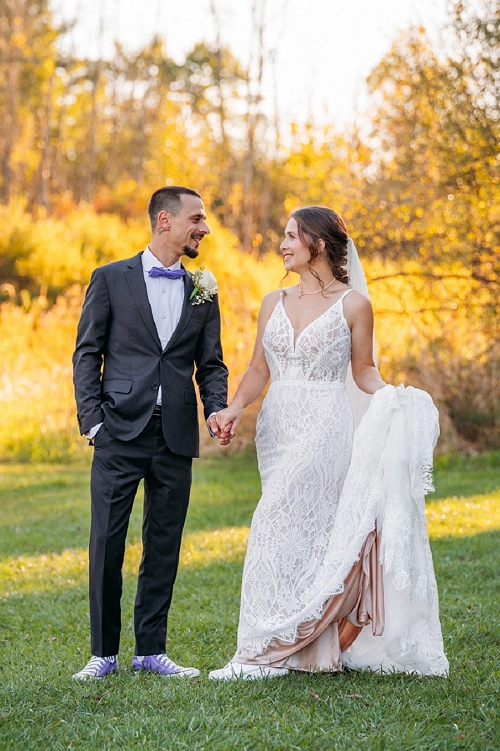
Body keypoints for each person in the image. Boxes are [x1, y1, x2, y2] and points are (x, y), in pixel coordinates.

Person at [209, 206, 448, 680]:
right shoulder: (272, 302)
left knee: (272, 524)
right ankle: (306, 650)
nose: (283, 244)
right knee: (298, 532)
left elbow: (363, 370)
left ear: (318, 244)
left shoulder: (353, 304)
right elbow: (259, 368)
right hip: (278, 428)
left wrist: (392, 396)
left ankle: (261, 652)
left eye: (292, 236)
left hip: (326, 425)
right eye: (284, 236)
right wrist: (236, 407)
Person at [72, 186, 228, 679]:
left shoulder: (204, 287)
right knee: (107, 542)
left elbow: (212, 363)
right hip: (118, 430)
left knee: (164, 541)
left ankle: (150, 651)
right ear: (166, 220)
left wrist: (216, 410)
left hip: (176, 434)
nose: (204, 227)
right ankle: (103, 654)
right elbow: (86, 353)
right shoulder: (111, 278)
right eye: (196, 218)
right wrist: (93, 420)